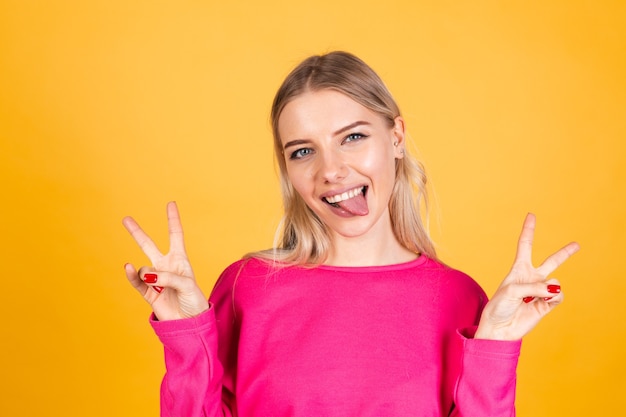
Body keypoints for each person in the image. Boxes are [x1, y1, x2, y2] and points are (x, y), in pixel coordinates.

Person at [122, 51, 579, 417]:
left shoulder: (461, 298)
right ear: (288, 168)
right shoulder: (247, 288)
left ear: (396, 137)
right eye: (303, 151)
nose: (332, 171)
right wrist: (185, 333)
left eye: (353, 137)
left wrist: (495, 346)